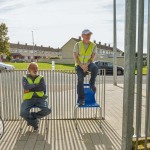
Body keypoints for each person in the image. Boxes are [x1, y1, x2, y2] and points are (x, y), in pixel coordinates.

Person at [20, 62, 51, 130]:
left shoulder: (41, 77)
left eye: (36, 68)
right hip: (28, 99)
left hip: (40, 98)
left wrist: (30, 89)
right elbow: (26, 87)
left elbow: (42, 88)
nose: (35, 69)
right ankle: (35, 122)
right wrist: (36, 86)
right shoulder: (25, 77)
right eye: (33, 68)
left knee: (48, 110)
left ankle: (32, 117)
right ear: (28, 69)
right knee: (23, 113)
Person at [73, 29, 98, 106]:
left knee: (95, 67)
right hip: (79, 65)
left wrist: (86, 65)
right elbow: (76, 57)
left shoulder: (93, 45)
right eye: (86, 35)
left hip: (88, 64)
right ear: (82, 36)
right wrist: (82, 66)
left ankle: (92, 82)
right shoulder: (77, 45)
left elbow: (92, 58)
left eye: (89, 35)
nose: (88, 36)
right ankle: (81, 99)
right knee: (80, 80)